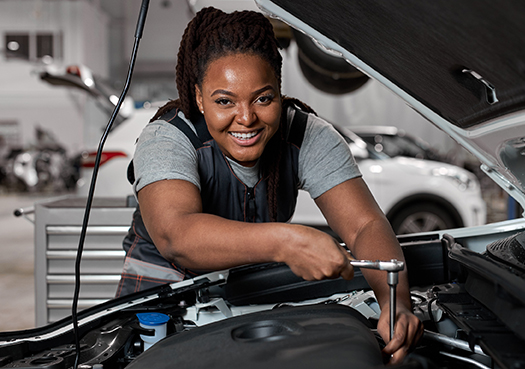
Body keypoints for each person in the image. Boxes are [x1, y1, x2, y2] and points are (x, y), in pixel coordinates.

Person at [115, 6, 423, 363]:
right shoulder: (168, 138)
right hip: (155, 317)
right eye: (224, 101)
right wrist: (287, 242)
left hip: (242, 309)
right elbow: (176, 235)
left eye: (263, 98)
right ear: (199, 97)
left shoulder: (307, 135)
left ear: (279, 89)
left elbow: (365, 225)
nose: (245, 118)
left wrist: (395, 302)